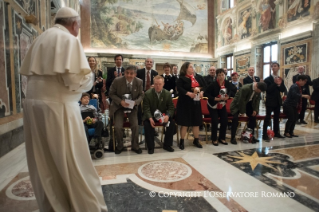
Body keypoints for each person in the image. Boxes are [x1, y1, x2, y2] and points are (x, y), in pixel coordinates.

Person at [20, 7, 107, 212]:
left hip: (34, 107)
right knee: (72, 160)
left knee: (45, 162)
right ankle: (82, 206)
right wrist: (90, 78)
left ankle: (52, 205)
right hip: (58, 107)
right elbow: (75, 81)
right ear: (75, 24)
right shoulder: (68, 40)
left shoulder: (40, 39)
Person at [109, 65, 144, 154]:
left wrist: (136, 102)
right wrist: (120, 102)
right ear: (124, 73)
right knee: (118, 126)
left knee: (135, 126)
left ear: (135, 74)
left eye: (131, 73)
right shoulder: (117, 81)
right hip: (119, 107)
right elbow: (111, 93)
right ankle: (120, 145)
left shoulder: (139, 82)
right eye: (127, 73)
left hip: (132, 107)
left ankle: (135, 146)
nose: (129, 75)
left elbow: (141, 95)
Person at [176, 62, 206, 149]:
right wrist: (188, 93)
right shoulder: (181, 78)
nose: (192, 68)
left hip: (195, 103)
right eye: (190, 67)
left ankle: (196, 140)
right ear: (185, 69)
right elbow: (179, 88)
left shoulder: (197, 78)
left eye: (192, 67)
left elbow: (204, 86)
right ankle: (182, 141)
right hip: (185, 103)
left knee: (196, 122)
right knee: (185, 123)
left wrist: (202, 92)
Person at [143, 76, 175, 154]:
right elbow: (146, 108)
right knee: (147, 125)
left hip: (163, 117)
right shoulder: (147, 94)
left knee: (171, 124)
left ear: (163, 84)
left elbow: (171, 107)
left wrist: (167, 115)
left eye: (160, 84)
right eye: (156, 84)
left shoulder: (167, 94)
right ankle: (150, 147)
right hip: (151, 116)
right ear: (153, 84)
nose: (158, 86)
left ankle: (167, 145)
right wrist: (150, 118)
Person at [205, 69, 232, 146]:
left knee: (224, 120)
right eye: (219, 75)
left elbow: (232, 90)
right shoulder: (213, 84)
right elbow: (206, 93)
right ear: (217, 76)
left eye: (222, 75)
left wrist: (228, 96)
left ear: (225, 75)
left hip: (222, 104)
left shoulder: (227, 83)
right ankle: (214, 139)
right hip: (213, 105)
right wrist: (214, 98)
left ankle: (222, 138)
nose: (221, 77)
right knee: (215, 120)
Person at [262, 62, 287, 141]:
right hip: (270, 101)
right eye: (272, 66)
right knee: (267, 118)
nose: (273, 67)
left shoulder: (280, 79)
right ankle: (264, 134)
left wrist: (279, 85)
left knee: (276, 118)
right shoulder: (267, 79)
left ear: (278, 68)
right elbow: (268, 90)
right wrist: (275, 83)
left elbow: (283, 89)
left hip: (277, 101)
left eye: (275, 66)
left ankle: (277, 132)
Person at [136, 58, 158, 126]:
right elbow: (135, 83)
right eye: (147, 62)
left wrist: (154, 86)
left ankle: (150, 125)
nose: (149, 63)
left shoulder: (155, 73)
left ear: (152, 64)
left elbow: (157, 83)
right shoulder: (139, 72)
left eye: (150, 62)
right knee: (139, 110)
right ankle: (140, 125)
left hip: (151, 94)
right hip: (141, 93)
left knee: (151, 109)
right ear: (145, 63)